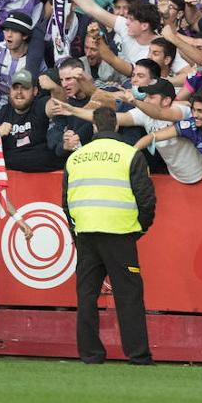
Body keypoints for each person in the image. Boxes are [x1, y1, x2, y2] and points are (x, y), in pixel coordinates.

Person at [64, 107, 155, 366]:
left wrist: (76, 229)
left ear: (94, 127)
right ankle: (138, 355)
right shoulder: (130, 155)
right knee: (129, 296)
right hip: (120, 233)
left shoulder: (76, 158)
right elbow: (146, 198)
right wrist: (140, 227)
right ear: (116, 126)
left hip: (86, 233)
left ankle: (90, 355)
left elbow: (65, 201)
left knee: (87, 296)